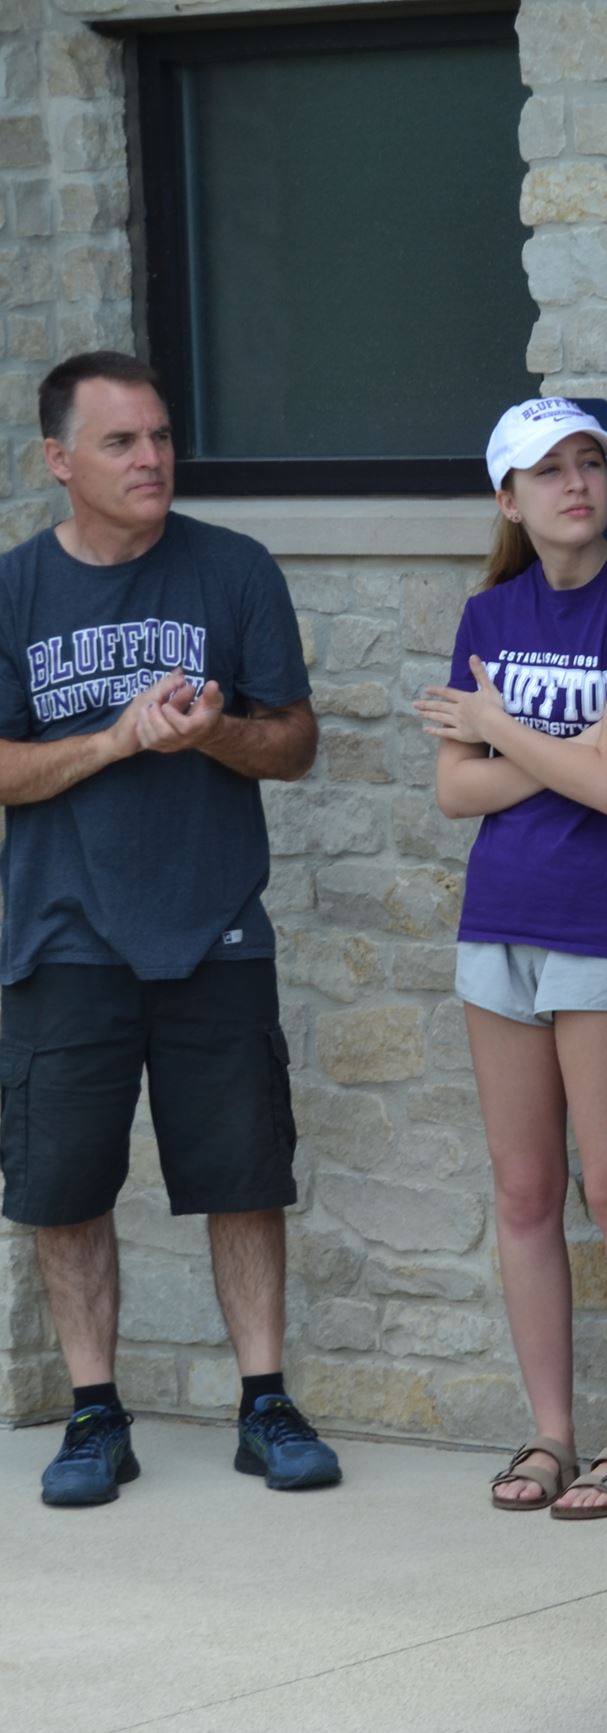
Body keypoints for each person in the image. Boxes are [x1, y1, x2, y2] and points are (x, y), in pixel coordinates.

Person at [0, 351, 338, 1506]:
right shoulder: (14, 591)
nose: (152, 459)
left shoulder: (234, 570)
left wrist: (209, 736)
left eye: (159, 437)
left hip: (214, 926)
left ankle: (265, 1401)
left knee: (243, 1173)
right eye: (120, 442)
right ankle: (95, 1414)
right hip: (61, 933)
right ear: (59, 460)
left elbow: (292, 742)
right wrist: (114, 738)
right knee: (65, 1185)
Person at [413, 397, 607, 1517]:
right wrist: (570, 750)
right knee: (525, 1190)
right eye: (548, 470)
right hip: (500, 924)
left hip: (605, 923)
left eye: (590, 463)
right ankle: (548, 1432)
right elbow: (454, 789)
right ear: (508, 497)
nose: (576, 484)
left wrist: (508, 729)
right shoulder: (489, 610)